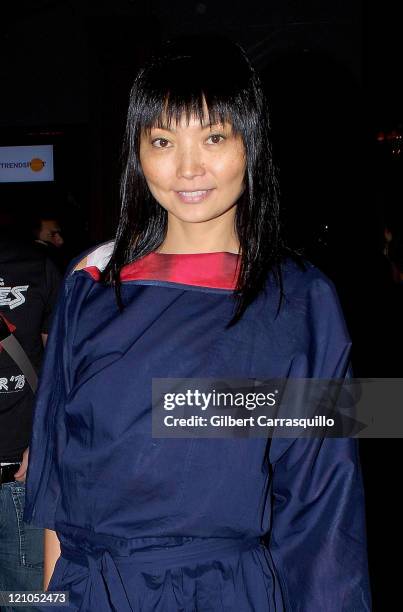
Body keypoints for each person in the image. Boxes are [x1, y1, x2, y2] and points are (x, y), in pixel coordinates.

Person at [23, 36, 371, 611]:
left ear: (250, 145)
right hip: (93, 591)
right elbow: (58, 484)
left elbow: (324, 500)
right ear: (138, 153)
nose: (188, 168)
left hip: (223, 593)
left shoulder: (304, 299)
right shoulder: (91, 282)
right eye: (163, 140)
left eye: (213, 137)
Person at [0, 214, 61, 611]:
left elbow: (63, 364)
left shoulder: (35, 265)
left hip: (18, 482)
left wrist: (46, 438)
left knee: (27, 602)